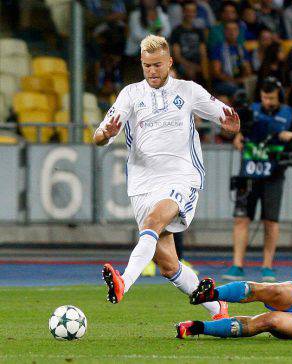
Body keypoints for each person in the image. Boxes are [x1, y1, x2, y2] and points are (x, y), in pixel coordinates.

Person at [93, 35, 240, 322]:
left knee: (152, 222)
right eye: (146, 65)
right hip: (142, 183)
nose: (152, 71)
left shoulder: (188, 91)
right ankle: (218, 309)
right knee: (168, 265)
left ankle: (124, 281)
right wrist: (106, 134)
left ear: (170, 62)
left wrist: (231, 124)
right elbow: (99, 136)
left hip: (181, 177)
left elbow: (226, 119)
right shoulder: (130, 94)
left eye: (157, 65)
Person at [222, 77, 292, 282]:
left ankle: (267, 266)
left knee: (270, 221)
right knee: (241, 219)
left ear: (279, 96)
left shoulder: (289, 114)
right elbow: (235, 135)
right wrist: (238, 139)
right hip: (248, 174)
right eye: (264, 97)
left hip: (274, 175)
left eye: (271, 97)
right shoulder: (250, 110)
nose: (267, 101)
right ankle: (237, 265)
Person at [169, 1, 207, 82]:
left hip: (198, 65)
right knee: (188, 72)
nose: (190, 14)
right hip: (182, 64)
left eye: (193, 11)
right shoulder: (176, 31)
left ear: (196, 13)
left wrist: (202, 66)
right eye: (188, 11)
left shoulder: (199, 31)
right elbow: (177, 56)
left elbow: (203, 53)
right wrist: (190, 66)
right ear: (183, 12)